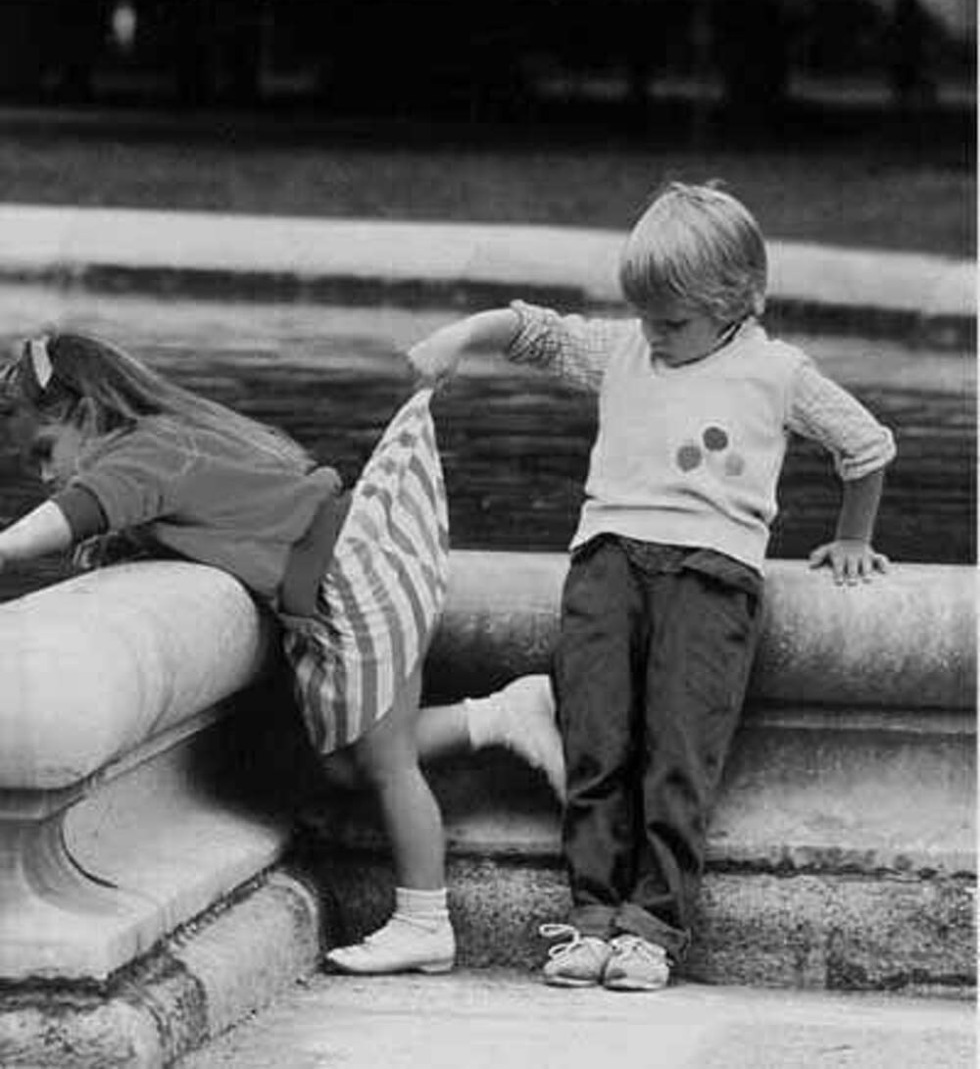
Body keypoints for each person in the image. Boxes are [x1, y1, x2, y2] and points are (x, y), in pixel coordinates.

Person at [407, 181, 896, 992]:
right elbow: (537, 332)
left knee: (679, 755)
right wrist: (461, 335)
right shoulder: (627, 350)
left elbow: (866, 446)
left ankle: (653, 927)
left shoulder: (776, 371)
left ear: (739, 301)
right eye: (645, 317)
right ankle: (592, 917)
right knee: (595, 744)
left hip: (711, 579)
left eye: (672, 323)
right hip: (606, 567)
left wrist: (853, 537)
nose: (655, 337)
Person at [0, 329, 562, 976]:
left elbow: (69, 516)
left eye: (45, 452)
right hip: (346, 567)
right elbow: (210, 519)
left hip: (346, 576)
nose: (46, 477)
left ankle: (424, 923)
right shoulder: (172, 440)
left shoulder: (140, 454)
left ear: (89, 413)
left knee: (385, 766)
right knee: (347, 767)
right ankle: (503, 714)